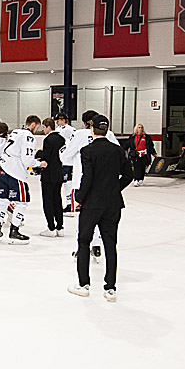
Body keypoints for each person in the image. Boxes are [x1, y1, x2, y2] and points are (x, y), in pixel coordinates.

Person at [67, 115, 133, 302]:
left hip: (92, 204)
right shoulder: (117, 150)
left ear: (92, 128)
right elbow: (129, 174)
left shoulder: (87, 150)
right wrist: (113, 189)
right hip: (113, 204)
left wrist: (79, 198)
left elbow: (87, 179)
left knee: (84, 241)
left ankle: (83, 284)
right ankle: (110, 288)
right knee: (110, 244)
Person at [61, 109, 121, 262]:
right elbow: (119, 156)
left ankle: (81, 250)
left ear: (86, 123)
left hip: (81, 183)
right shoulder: (109, 134)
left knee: (83, 217)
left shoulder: (79, 135)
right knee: (103, 218)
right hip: (105, 184)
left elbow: (66, 157)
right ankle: (97, 245)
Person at [0, 115, 40, 245]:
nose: (36, 130)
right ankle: (14, 230)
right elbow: (27, 159)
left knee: (4, 200)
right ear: (33, 125)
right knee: (22, 201)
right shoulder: (28, 136)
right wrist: (38, 164)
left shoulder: (16, 132)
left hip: (3, 168)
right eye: (37, 127)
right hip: (15, 172)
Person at [34, 117, 66, 237]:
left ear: (48, 126)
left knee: (48, 200)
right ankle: (60, 227)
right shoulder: (61, 138)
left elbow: (46, 155)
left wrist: (38, 153)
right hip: (58, 173)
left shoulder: (48, 139)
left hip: (48, 174)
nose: (43, 130)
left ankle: (51, 227)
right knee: (57, 199)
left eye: (43, 127)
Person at [53, 112, 76, 210]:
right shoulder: (70, 129)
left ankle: (70, 203)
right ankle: (69, 202)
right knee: (66, 182)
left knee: (67, 182)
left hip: (66, 161)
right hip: (66, 160)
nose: (57, 122)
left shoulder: (66, 129)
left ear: (63, 120)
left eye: (58, 120)